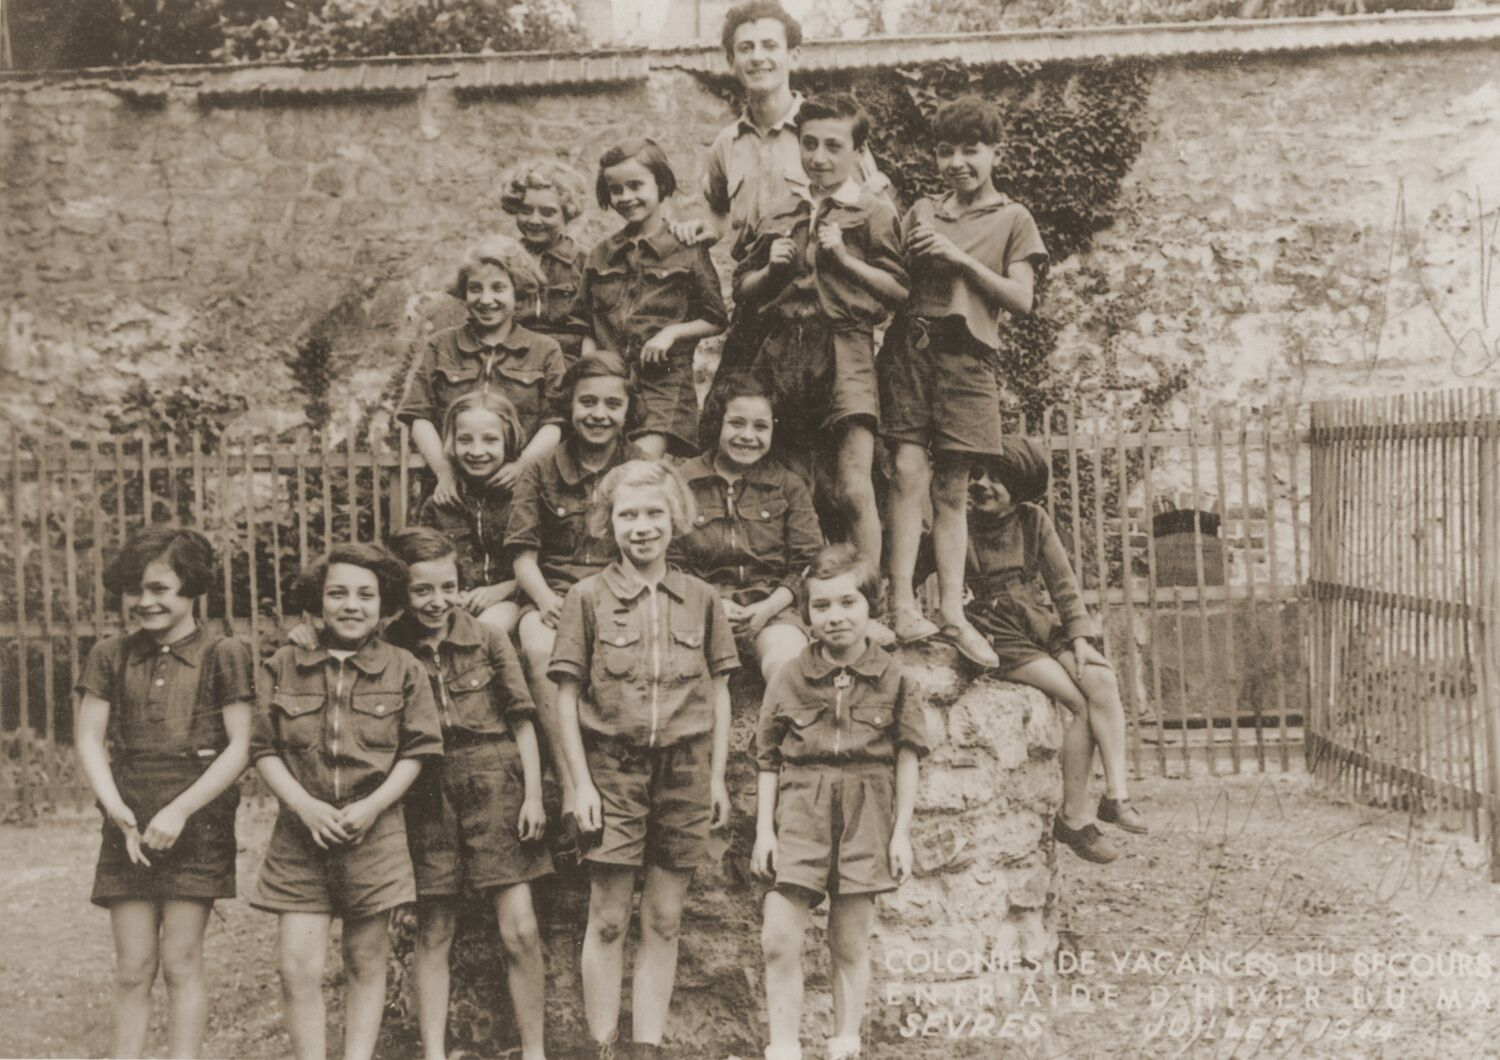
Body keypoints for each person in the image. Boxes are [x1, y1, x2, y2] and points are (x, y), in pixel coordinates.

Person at [549, 459, 739, 1060]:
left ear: (676, 518)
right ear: (609, 522)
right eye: (628, 515)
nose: (642, 526)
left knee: (663, 919)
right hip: (612, 771)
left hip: (684, 770)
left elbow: (720, 692)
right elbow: (565, 695)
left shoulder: (702, 598)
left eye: (654, 512)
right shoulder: (586, 597)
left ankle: (647, 1048)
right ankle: (603, 1048)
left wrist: (715, 779)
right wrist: (579, 784)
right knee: (607, 919)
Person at [250, 543, 443, 1060]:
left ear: (386, 605)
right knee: (298, 967)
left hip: (373, 834)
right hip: (300, 837)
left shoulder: (404, 668)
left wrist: (372, 807)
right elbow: (262, 747)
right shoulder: (283, 665)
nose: (351, 605)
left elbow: (419, 751)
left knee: (366, 960)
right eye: (338, 593)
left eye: (365, 595)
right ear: (318, 600)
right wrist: (303, 807)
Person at [882, 96, 1049, 669]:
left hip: (970, 360)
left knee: (951, 490)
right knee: (906, 473)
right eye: (946, 150)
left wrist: (959, 259)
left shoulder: (1014, 217)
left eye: (971, 150)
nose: (958, 162)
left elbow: (1022, 299)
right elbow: (894, 285)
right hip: (911, 349)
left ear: (995, 153)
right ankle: (902, 604)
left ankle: (951, 612)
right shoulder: (923, 210)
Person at [74, 527, 253, 1060]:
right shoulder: (110, 654)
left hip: (196, 822)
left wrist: (180, 810)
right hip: (127, 820)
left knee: (181, 961)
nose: (144, 602)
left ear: (193, 588)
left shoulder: (224, 652)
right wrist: (118, 812)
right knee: (132, 967)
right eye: (134, 589)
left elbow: (241, 746)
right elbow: (87, 739)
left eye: (159, 589)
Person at [677, 0, 891, 432]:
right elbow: (720, 216)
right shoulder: (725, 144)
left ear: (793, 55)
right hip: (757, 309)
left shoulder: (826, 134)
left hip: (823, 316)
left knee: (827, 449)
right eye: (746, 47)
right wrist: (700, 231)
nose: (758, 56)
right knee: (724, 430)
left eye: (770, 45)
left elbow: (874, 209)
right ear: (731, 60)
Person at [752, 544, 928, 1060]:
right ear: (807, 614)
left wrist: (901, 834)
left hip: (867, 813)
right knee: (778, 938)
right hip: (800, 809)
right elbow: (767, 760)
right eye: (822, 606)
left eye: (848, 603)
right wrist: (765, 831)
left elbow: (908, 757)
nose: (835, 617)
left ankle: (844, 1046)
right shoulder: (790, 675)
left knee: (849, 942)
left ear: (871, 606)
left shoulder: (894, 677)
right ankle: (783, 1049)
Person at [382, 528, 551, 1060]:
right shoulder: (388, 646)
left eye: (448, 587)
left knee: (520, 929)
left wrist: (533, 797)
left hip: (495, 780)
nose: (438, 602)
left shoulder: (488, 637)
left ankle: (535, 1051)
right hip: (425, 789)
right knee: (434, 930)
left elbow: (523, 722)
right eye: (422, 591)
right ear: (402, 593)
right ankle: (434, 1052)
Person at [733, 93, 907, 580]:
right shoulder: (780, 209)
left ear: (857, 152)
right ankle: (790, 590)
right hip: (784, 354)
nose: (820, 157)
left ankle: (867, 597)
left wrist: (845, 261)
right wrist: (771, 272)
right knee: (786, 481)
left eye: (834, 146)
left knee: (853, 485)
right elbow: (742, 291)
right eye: (809, 144)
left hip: (845, 350)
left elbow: (899, 291)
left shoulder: (873, 211)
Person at [964, 439, 1148, 863]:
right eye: (978, 474)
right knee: (1077, 702)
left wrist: (1080, 639)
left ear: (1021, 485)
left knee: (1099, 678)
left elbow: (1062, 584)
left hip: (1036, 619)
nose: (983, 485)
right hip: (993, 629)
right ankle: (1074, 817)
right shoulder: (956, 520)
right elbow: (910, 566)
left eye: (997, 478)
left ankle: (1116, 797)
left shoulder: (1034, 520)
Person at [506, 352, 646, 851]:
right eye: (588, 402)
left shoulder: (642, 469)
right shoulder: (540, 468)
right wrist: (546, 600)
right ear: (569, 406)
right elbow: (523, 556)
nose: (599, 414)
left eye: (612, 403)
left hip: (622, 593)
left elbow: (656, 549)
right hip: (558, 597)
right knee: (540, 647)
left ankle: (621, 790)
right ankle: (570, 793)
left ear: (628, 409)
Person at [569, 138, 728, 459]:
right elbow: (584, 322)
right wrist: (591, 370)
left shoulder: (687, 248)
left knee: (637, 465)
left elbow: (715, 319)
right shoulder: (601, 255)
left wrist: (671, 333)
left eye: (636, 186)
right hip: (608, 387)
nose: (626, 197)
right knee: (601, 467)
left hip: (664, 387)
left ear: (661, 183)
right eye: (616, 189)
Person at [671, 373, 821, 682]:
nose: (748, 436)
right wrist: (712, 603)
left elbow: (808, 561)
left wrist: (767, 608)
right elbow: (669, 560)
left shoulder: (788, 485)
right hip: (699, 607)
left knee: (786, 663)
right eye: (737, 423)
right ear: (717, 423)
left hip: (773, 609)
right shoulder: (682, 481)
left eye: (761, 426)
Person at [399, 235, 568, 507]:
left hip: (519, 490)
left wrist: (522, 466)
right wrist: (444, 472)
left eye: (498, 288)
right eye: (475, 288)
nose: (486, 299)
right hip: (453, 491)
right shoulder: (441, 345)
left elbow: (556, 422)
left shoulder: (544, 349)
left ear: (518, 293)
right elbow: (418, 414)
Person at [415, 390, 528, 635]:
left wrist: (503, 589)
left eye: (490, 440)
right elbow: (421, 560)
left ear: (507, 441)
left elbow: (546, 562)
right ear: (452, 443)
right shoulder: (440, 502)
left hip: (513, 598)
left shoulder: (524, 497)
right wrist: (451, 594)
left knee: (486, 629)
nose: (477, 451)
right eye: (465, 440)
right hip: (453, 601)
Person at [502, 158, 591, 365]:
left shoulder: (587, 262)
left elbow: (596, 328)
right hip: (510, 362)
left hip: (566, 362)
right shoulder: (502, 260)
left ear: (567, 212)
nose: (534, 220)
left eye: (547, 212)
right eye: (525, 210)